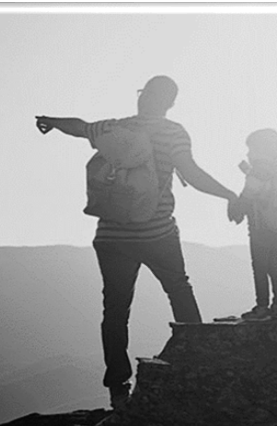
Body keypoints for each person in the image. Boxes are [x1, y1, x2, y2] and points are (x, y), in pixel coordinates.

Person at [35, 75, 239, 409]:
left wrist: (51, 121)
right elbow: (192, 173)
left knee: (115, 310)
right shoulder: (173, 132)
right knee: (179, 290)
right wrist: (230, 195)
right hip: (158, 233)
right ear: (170, 103)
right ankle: (200, 361)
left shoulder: (114, 127)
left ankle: (118, 388)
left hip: (111, 236)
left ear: (144, 96)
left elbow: (80, 127)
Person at [231, 129, 277, 321]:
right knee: (274, 264)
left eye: (251, 149)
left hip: (259, 228)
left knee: (259, 266)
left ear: (261, 150)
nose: (249, 153)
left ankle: (262, 307)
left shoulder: (258, 171)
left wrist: (237, 209)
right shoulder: (276, 169)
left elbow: (250, 192)